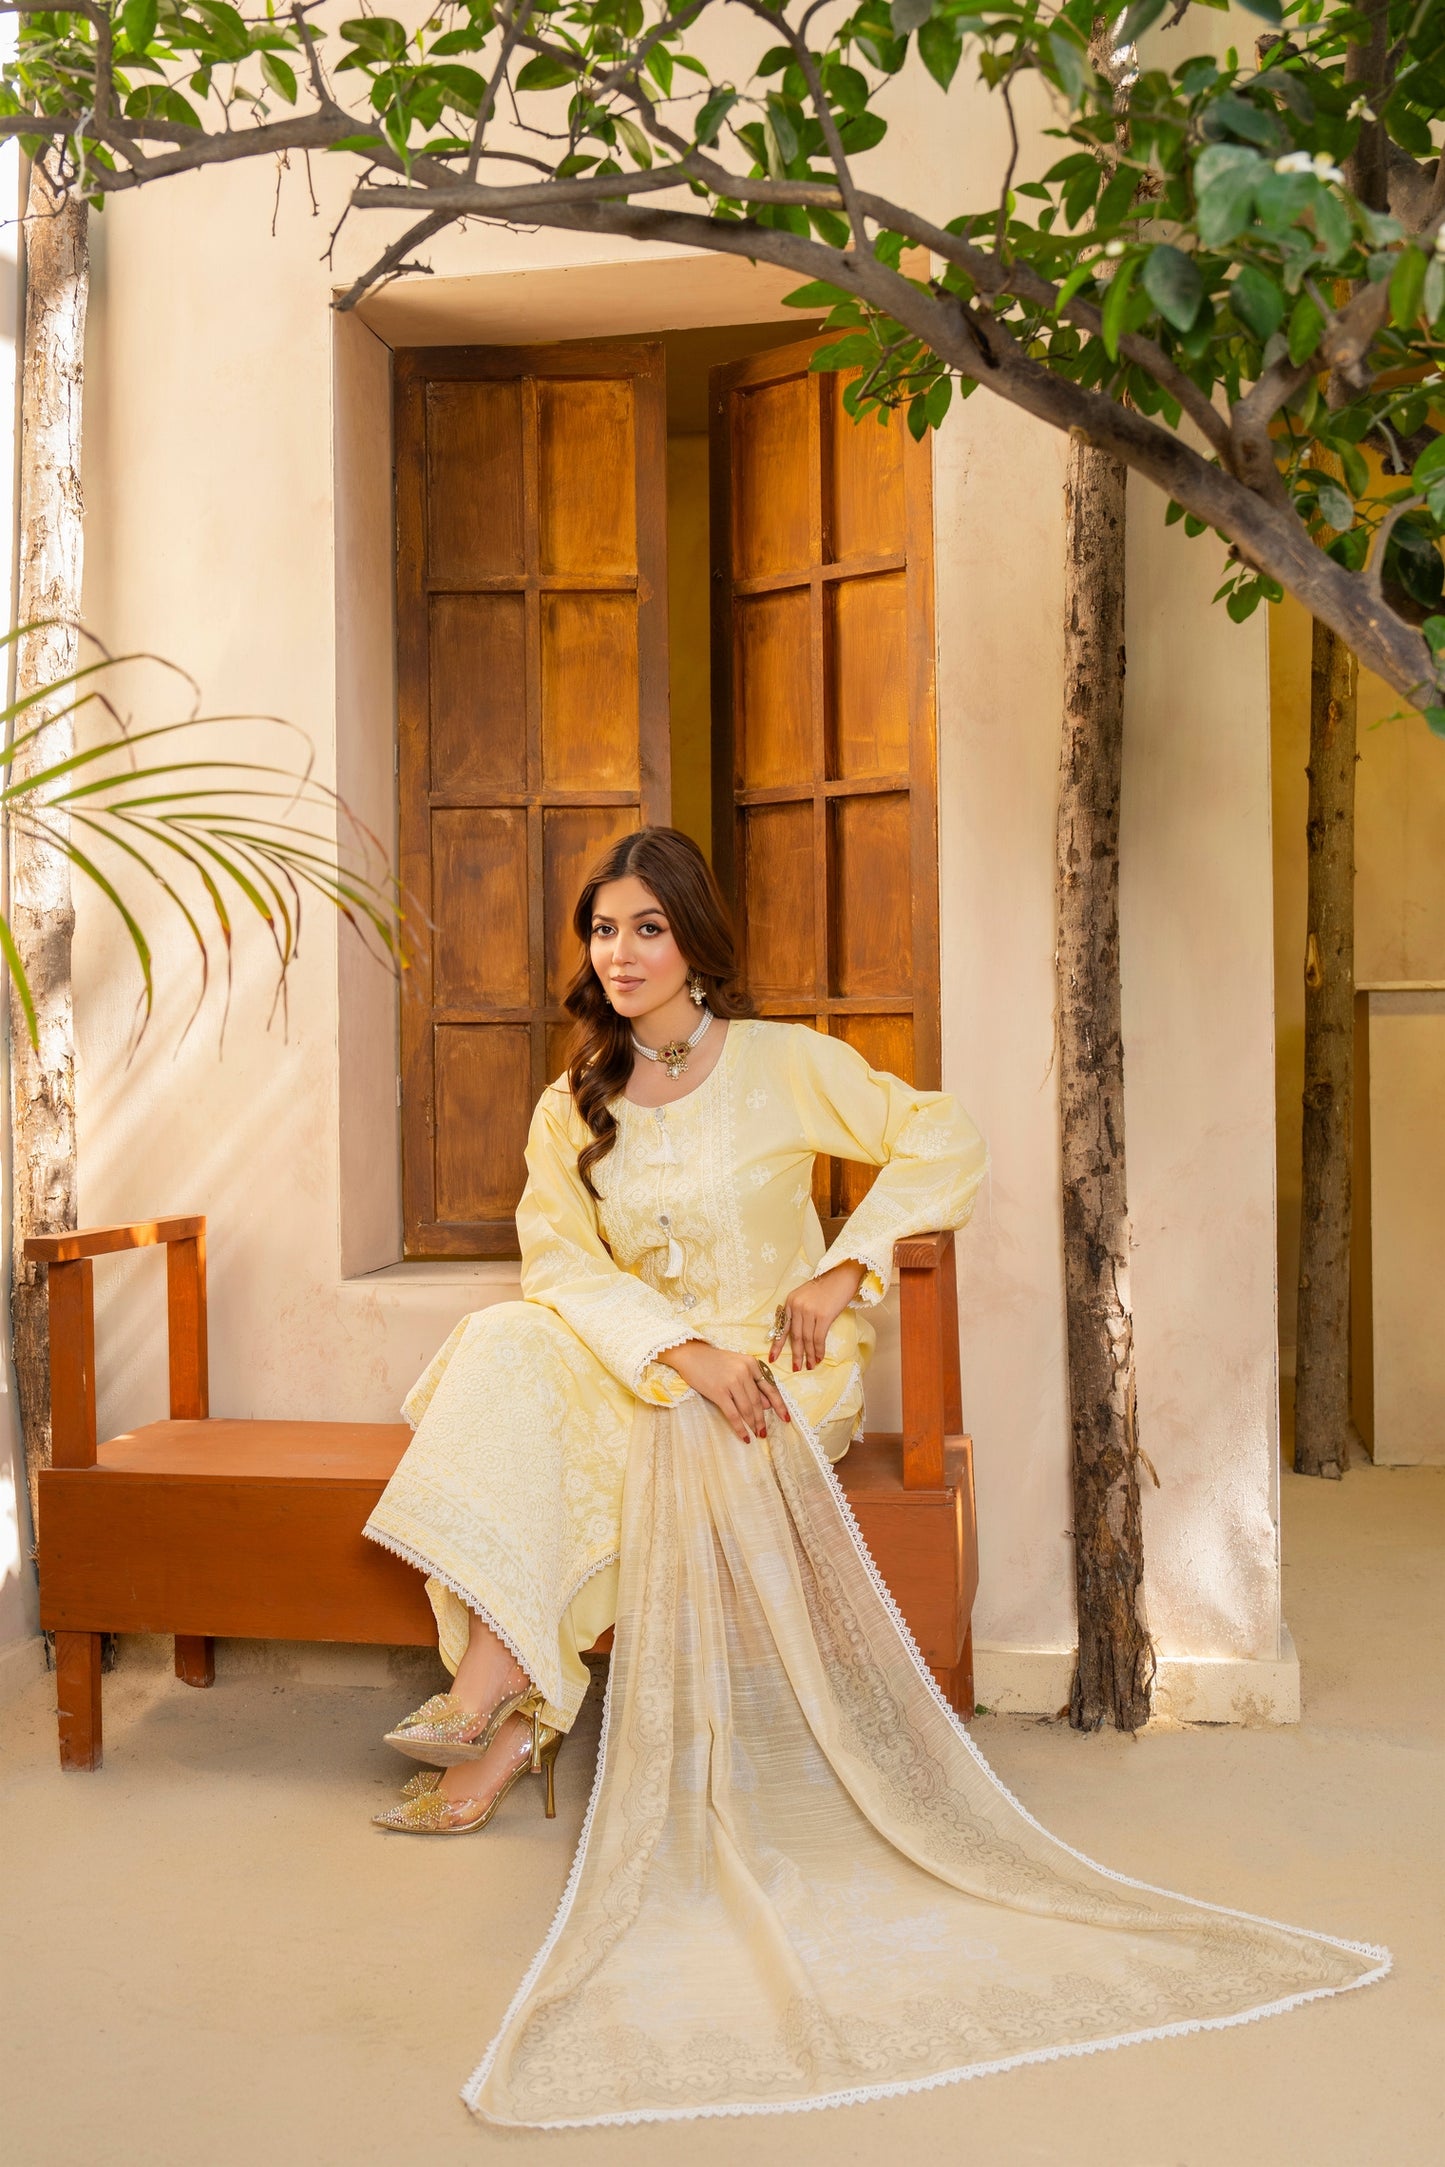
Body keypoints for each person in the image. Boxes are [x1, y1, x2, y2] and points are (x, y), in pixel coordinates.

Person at [364, 827, 1383, 2131]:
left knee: (653, 1434)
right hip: (650, 1355)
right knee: (509, 1342)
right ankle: (498, 1707)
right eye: (603, 930)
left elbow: (941, 1138)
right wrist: (675, 1351)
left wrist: (844, 1262)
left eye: (646, 928)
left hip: (778, 1367)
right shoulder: (575, 1103)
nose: (619, 953)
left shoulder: (782, 1063)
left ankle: (497, 1715)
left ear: (695, 942)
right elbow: (559, 1263)